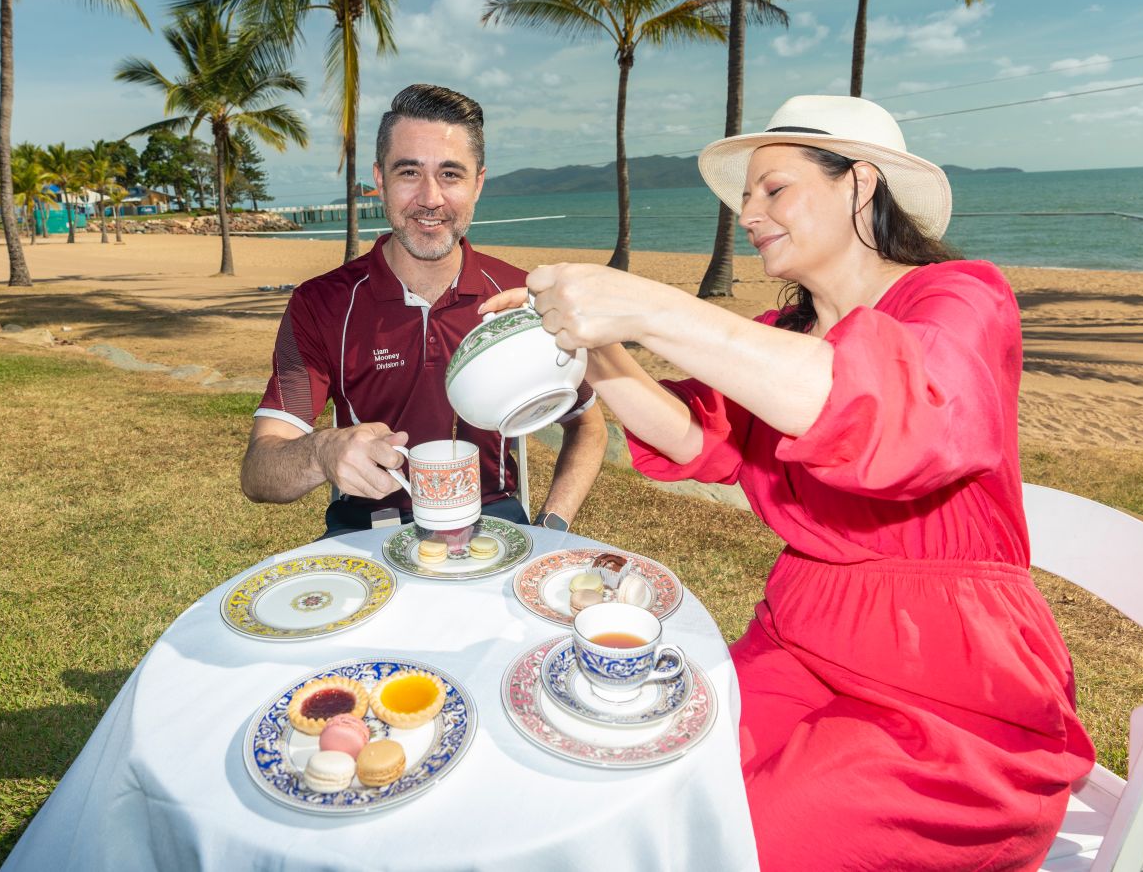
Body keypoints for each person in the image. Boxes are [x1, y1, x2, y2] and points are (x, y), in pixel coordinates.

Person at [485, 95, 1095, 870]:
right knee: (656, 789)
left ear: (860, 185)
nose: (749, 211)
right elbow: (693, 436)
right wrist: (591, 346)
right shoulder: (783, 342)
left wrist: (642, 304)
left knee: (746, 844)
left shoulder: (961, 298)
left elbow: (891, 412)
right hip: (801, 634)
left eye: (773, 189)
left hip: (951, 684)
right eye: (746, 195)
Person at [242, 84, 608, 536]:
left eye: (451, 174)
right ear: (380, 180)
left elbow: (587, 425)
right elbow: (259, 470)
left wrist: (551, 525)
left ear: (478, 183)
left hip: (495, 522)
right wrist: (322, 452)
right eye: (409, 172)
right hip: (366, 532)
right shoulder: (322, 304)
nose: (431, 198)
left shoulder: (520, 295)